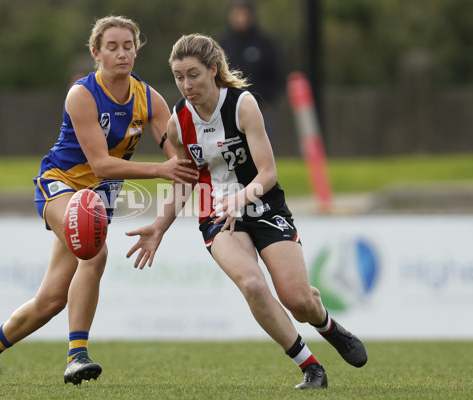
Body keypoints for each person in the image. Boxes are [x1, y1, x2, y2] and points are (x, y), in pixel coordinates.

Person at [126, 33, 367, 390]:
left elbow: (268, 173)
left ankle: (328, 325)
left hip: (263, 203)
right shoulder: (177, 123)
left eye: (193, 74)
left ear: (213, 70)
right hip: (215, 214)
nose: (186, 84)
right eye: (178, 76)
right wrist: (160, 225)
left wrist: (241, 199)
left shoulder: (243, 105)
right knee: (252, 284)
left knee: (298, 300)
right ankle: (310, 367)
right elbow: (185, 179)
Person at [0, 16, 199, 386]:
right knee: (94, 249)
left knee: (52, 300)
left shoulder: (150, 99)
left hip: (96, 199)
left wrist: (195, 165)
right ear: (96, 53)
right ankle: (77, 356)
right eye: (112, 47)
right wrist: (160, 171)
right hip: (58, 185)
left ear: (137, 51)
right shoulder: (82, 94)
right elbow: (101, 164)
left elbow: (181, 161)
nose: (122, 53)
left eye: (128, 46)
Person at [217, 0, 285, 144]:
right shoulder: (222, 43)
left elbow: (277, 76)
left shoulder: (265, 43)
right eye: (236, 13)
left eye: (244, 13)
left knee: (261, 153)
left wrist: (266, 100)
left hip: (260, 110)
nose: (240, 18)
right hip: (228, 109)